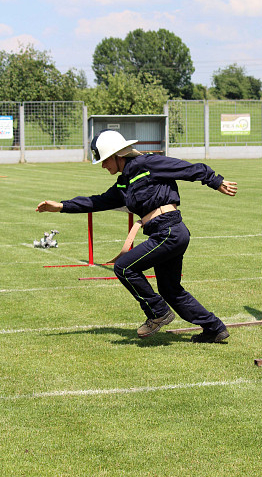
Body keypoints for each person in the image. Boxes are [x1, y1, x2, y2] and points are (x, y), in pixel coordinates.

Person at [36, 130, 237, 343]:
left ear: (118, 155)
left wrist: (215, 180)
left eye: (105, 160)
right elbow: (97, 201)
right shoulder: (124, 183)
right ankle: (214, 328)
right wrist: (61, 206)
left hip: (169, 231)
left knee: (124, 267)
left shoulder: (147, 164)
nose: (103, 166)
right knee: (170, 290)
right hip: (165, 232)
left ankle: (158, 313)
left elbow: (186, 168)